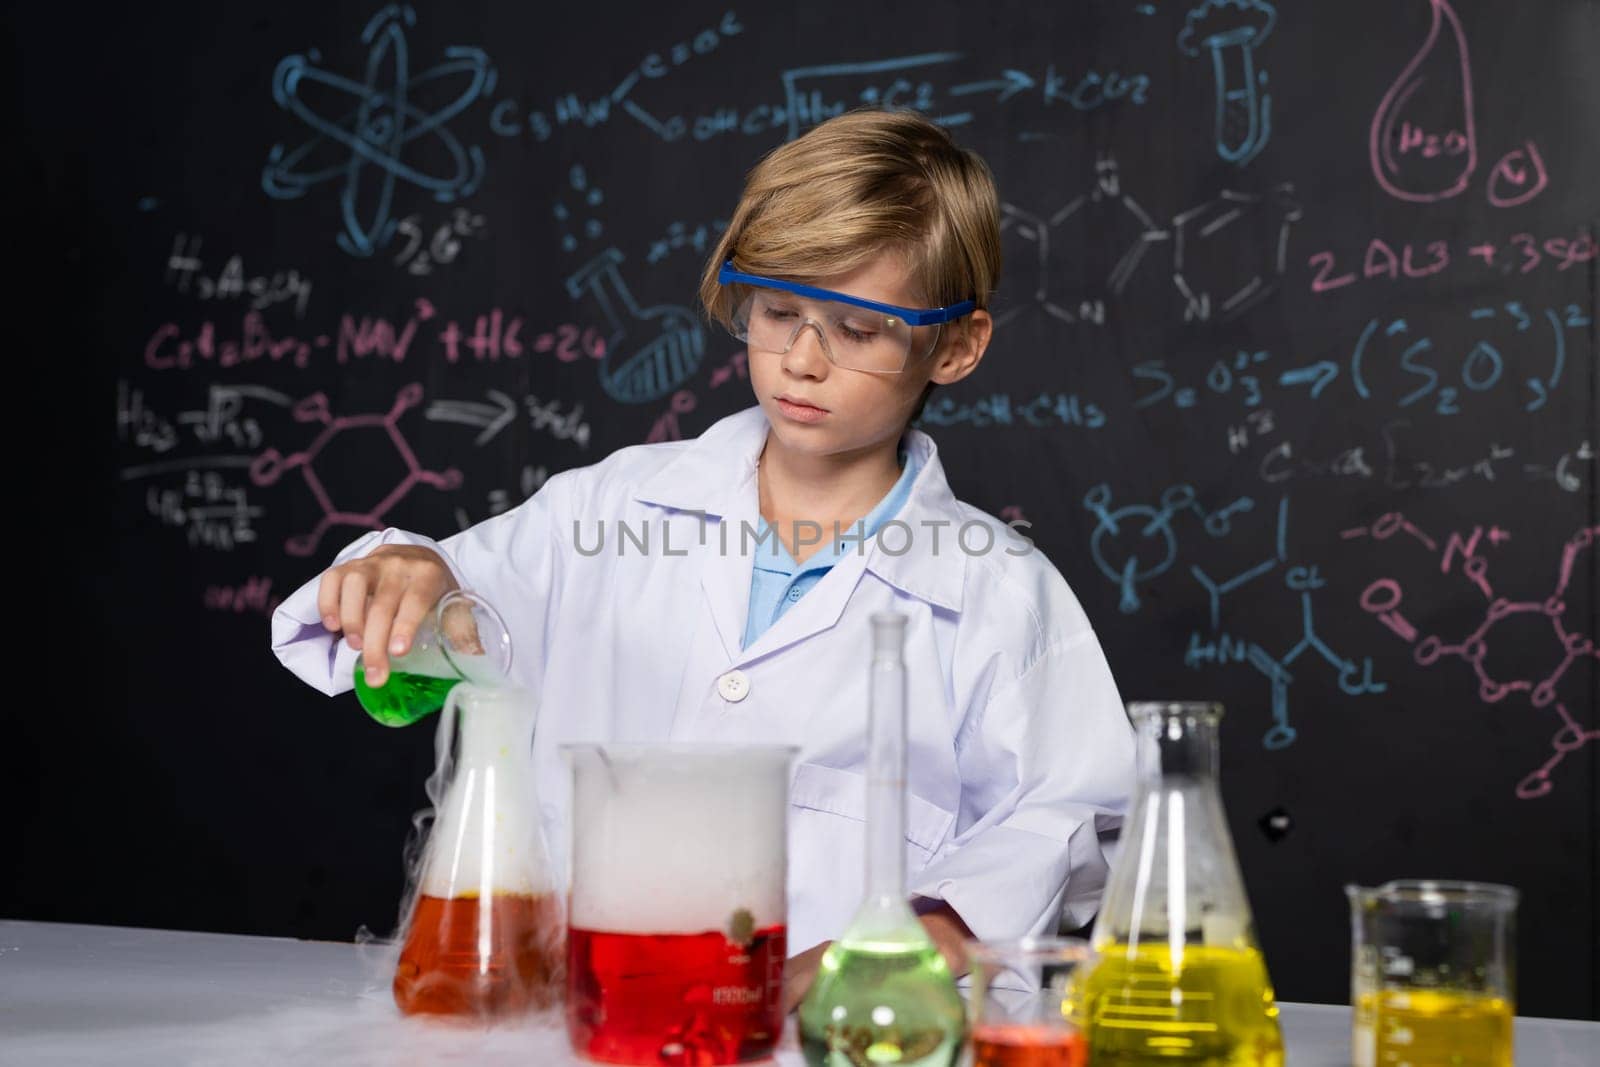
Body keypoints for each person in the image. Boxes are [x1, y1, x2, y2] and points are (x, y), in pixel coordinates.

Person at [270, 107, 1135, 1011]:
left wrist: (924, 932)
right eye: (778, 310)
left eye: (858, 328)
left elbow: (1075, 818)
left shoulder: (998, 593)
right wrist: (409, 575)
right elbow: (453, 625)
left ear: (955, 346)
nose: (801, 360)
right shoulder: (604, 512)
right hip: (571, 1027)